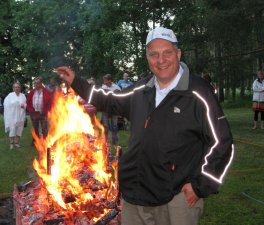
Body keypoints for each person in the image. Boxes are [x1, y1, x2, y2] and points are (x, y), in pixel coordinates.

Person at [56, 27, 234, 225]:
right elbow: (109, 100)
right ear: (147, 58)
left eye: (167, 52)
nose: (161, 60)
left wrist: (201, 186)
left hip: (175, 198)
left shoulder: (198, 93)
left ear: (178, 53)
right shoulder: (142, 88)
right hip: (134, 194)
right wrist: (76, 82)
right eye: (154, 54)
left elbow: (222, 143)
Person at [4, 82, 27, 149]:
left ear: (20, 88)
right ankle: (11, 143)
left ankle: (17, 142)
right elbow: (6, 104)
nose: (17, 88)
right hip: (12, 115)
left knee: (19, 129)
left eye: (18, 87)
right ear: (13, 88)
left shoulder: (23, 95)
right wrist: (14, 104)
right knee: (12, 129)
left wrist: (23, 106)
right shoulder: (10, 95)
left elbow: (25, 104)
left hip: (20, 115)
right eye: (15, 87)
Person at [101, 74, 121, 145]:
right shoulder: (103, 87)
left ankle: (114, 140)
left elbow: (119, 99)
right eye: (104, 80)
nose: (104, 82)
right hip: (105, 109)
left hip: (114, 110)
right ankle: (105, 141)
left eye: (105, 80)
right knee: (105, 126)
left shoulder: (117, 88)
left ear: (110, 80)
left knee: (114, 125)